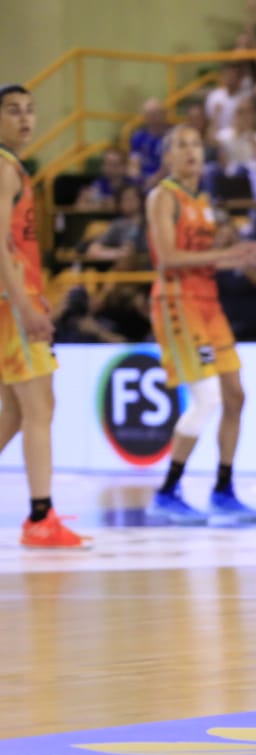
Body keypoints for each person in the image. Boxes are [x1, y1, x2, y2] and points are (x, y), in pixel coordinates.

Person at [143, 124, 256, 526]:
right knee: (206, 400)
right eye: (181, 146)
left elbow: (212, 256)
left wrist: (246, 254)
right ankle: (167, 491)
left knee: (236, 396)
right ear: (167, 157)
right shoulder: (163, 197)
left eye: (195, 146)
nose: (190, 152)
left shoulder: (203, 200)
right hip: (177, 303)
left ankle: (223, 490)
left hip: (208, 302)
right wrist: (229, 255)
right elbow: (167, 257)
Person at [0, 85, 87, 548]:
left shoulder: (13, 168)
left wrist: (32, 291)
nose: (25, 119)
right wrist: (23, 301)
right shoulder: (3, 167)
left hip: (14, 298)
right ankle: (40, 517)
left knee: (16, 411)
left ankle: (40, 513)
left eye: (30, 110)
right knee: (37, 408)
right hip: (8, 306)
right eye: (13, 111)